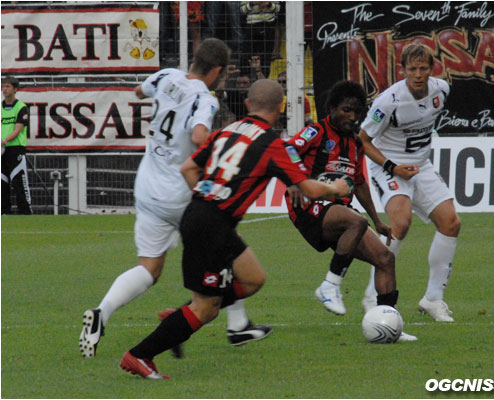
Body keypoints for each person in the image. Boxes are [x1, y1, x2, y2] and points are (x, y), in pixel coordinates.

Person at [119, 79, 350, 379]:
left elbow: (188, 168)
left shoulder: (225, 132)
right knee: (207, 309)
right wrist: (336, 187)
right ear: (280, 108)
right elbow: (308, 188)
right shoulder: (271, 143)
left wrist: (209, 200)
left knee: (253, 279)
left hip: (204, 215)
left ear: (248, 105)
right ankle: (139, 355)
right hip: (211, 223)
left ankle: (179, 318)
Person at [79, 39, 269, 359]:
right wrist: (216, 149)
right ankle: (237, 325)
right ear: (219, 71)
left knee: (149, 268)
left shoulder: (166, 76)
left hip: (147, 187)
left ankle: (101, 312)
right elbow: (198, 136)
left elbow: (139, 92)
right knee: (224, 238)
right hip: (179, 194)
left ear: (195, 60)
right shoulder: (205, 100)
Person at [284, 80, 416, 341]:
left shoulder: (355, 143)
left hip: (338, 211)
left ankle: (388, 322)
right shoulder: (317, 131)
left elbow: (359, 183)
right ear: (332, 108)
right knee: (356, 222)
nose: (352, 117)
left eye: (357, 112)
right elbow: (287, 149)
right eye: (346, 110)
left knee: (385, 258)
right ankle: (330, 285)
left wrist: (378, 221)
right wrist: (294, 181)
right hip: (308, 205)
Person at [359, 43, 460, 322]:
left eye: (423, 68)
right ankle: (372, 295)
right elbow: (363, 140)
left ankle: (433, 299)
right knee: (400, 224)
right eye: (412, 69)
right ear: (402, 70)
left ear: (432, 69)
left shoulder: (441, 90)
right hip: (388, 165)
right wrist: (393, 167)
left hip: (421, 165)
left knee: (451, 223)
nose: (418, 74)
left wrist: (416, 162)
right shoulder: (388, 102)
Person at [1, 76, 32, 215]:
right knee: (2, 182)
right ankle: (4, 212)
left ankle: (25, 213)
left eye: (7, 86)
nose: (4, 89)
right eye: (3, 86)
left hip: (16, 149)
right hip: (1, 150)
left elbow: (18, 129)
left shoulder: (21, 107)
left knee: (19, 182)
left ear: (15, 89)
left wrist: (4, 140)